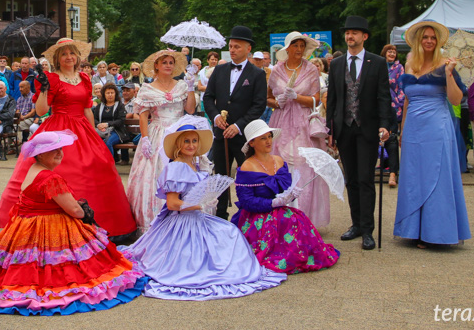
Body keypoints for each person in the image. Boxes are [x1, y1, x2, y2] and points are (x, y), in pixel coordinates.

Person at [0, 130, 145, 315]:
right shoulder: (50, 178)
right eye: (53, 150)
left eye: (60, 149)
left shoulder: (33, 170)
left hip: (25, 227)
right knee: (71, 268)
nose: (59, 153)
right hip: (45, 228)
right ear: (39, 154)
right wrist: (85, 216)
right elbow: (73, 210)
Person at [120, 117, 286, 300]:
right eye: (186, 141)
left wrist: (206, 204)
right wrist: (200, 205)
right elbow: (172, 203)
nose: (191, 145)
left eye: (194, 141)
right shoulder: (176, 167)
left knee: (229, 231)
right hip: (182, 222)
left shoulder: (196, 164)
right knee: (194, 255)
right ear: (178, 144)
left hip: (198, 217)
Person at [0, 38, 137, 241]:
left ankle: (106, 225)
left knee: (98, 165)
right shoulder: (52, 79)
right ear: (57, 59)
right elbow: (41, 111)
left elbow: (87, 109)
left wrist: (94, 133)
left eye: (71, 53)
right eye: (64, 54)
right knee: (53, 169)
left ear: (77, 57)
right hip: (58, 128)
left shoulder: (85, 78)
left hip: (83, 129)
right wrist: (43, 88)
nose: (69, 57)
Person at [393, 21, 470, 248]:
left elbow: (456, 100)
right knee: (414, 176)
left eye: (433, 38)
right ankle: (414, 229)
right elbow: (407, 99)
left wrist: (448, 74)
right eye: (425, 37)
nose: (429, 41)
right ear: (418, 41)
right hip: (413, 127)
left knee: (436, 175)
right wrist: (403, 128)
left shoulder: (445, 64)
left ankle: (435, 232)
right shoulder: (409, 64)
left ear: (438, 42)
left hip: (438, 125)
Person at [232, 120, 340, 274]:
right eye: (263, 138)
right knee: (283, 222)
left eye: (269, 136)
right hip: (256, 216)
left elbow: (285, 188)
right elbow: (246, 202)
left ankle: (298, 255)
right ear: (252, 143)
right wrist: (273, 203)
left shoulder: (278, 160)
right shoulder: (247, 167)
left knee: (297, 220)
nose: (269, 141)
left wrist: (291, 194)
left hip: (281, 211)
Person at [326, 16, 393, 251]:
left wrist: (385, 124)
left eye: (354, 32)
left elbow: (384, 97)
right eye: (347, 33)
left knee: (366, 179)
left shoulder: (377, 63)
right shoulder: (336, 64)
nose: (349, 36)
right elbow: (332, 100)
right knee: (351, 179)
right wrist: (330, 130)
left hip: (367, 128)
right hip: (344, 129)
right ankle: (355, 224)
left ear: (364, 36)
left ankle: (367, 229)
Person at [203, 26, 268, 219]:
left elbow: (259, 105)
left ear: (248, 49)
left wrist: (238, 125)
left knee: (247, 175)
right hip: (221, 133)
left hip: (243, 135)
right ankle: (221, 214)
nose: (232, 50)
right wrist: (215, 117)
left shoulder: (257, 74)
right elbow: (208, 97)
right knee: (221, 176)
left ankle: (247, 214)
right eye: (231, 46)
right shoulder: (220, 70)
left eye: (237, 47)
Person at [127, 49, 196, 232]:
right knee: (157, 172)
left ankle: (184, 213)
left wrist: (190, 88)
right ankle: (156, 217)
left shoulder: (181, 85)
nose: (168, 65)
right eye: (164, 62)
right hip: (158, 133)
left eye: (171, 62)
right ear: (156, 65)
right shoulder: (147, 89)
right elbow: (143, 116)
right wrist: (145, 138)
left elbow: (190, 109)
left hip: (179, 133)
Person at [266, 31, 329, 227]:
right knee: (281, 163)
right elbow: (267, 99)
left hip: (302, 121)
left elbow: (316, 99)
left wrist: (296, 97)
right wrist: (278, 102)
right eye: (296, 46)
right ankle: (282, 212)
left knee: (304, 165)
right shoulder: (276, 71)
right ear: (288, 48)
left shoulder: (311, 69)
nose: (300, 50)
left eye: (302, 46)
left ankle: (303, 213)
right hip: (281, 120)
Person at [381, 44, 405, 187]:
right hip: (381, 102)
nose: (391, 53)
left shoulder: (399, 67)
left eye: (394, 52)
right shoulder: (380, 65)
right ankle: (385, 164)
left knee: (392, 136)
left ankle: (393, 172)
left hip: (394, 103)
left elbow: (402, 85)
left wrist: (399, 101)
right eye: (389, 51)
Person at [95, 82, 128, 164]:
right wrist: (98, 125)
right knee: (93, 142)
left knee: (108, 142)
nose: (110, 95)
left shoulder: (120, 105)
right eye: (108, 93)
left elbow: (121, 120)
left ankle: (110, 165)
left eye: (112, 93)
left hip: (117, 131)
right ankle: (98, 164)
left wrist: (107, 124)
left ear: (115, 94)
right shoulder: (99, 106)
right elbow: (94, 118)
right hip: (101, 131)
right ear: (104, 94)